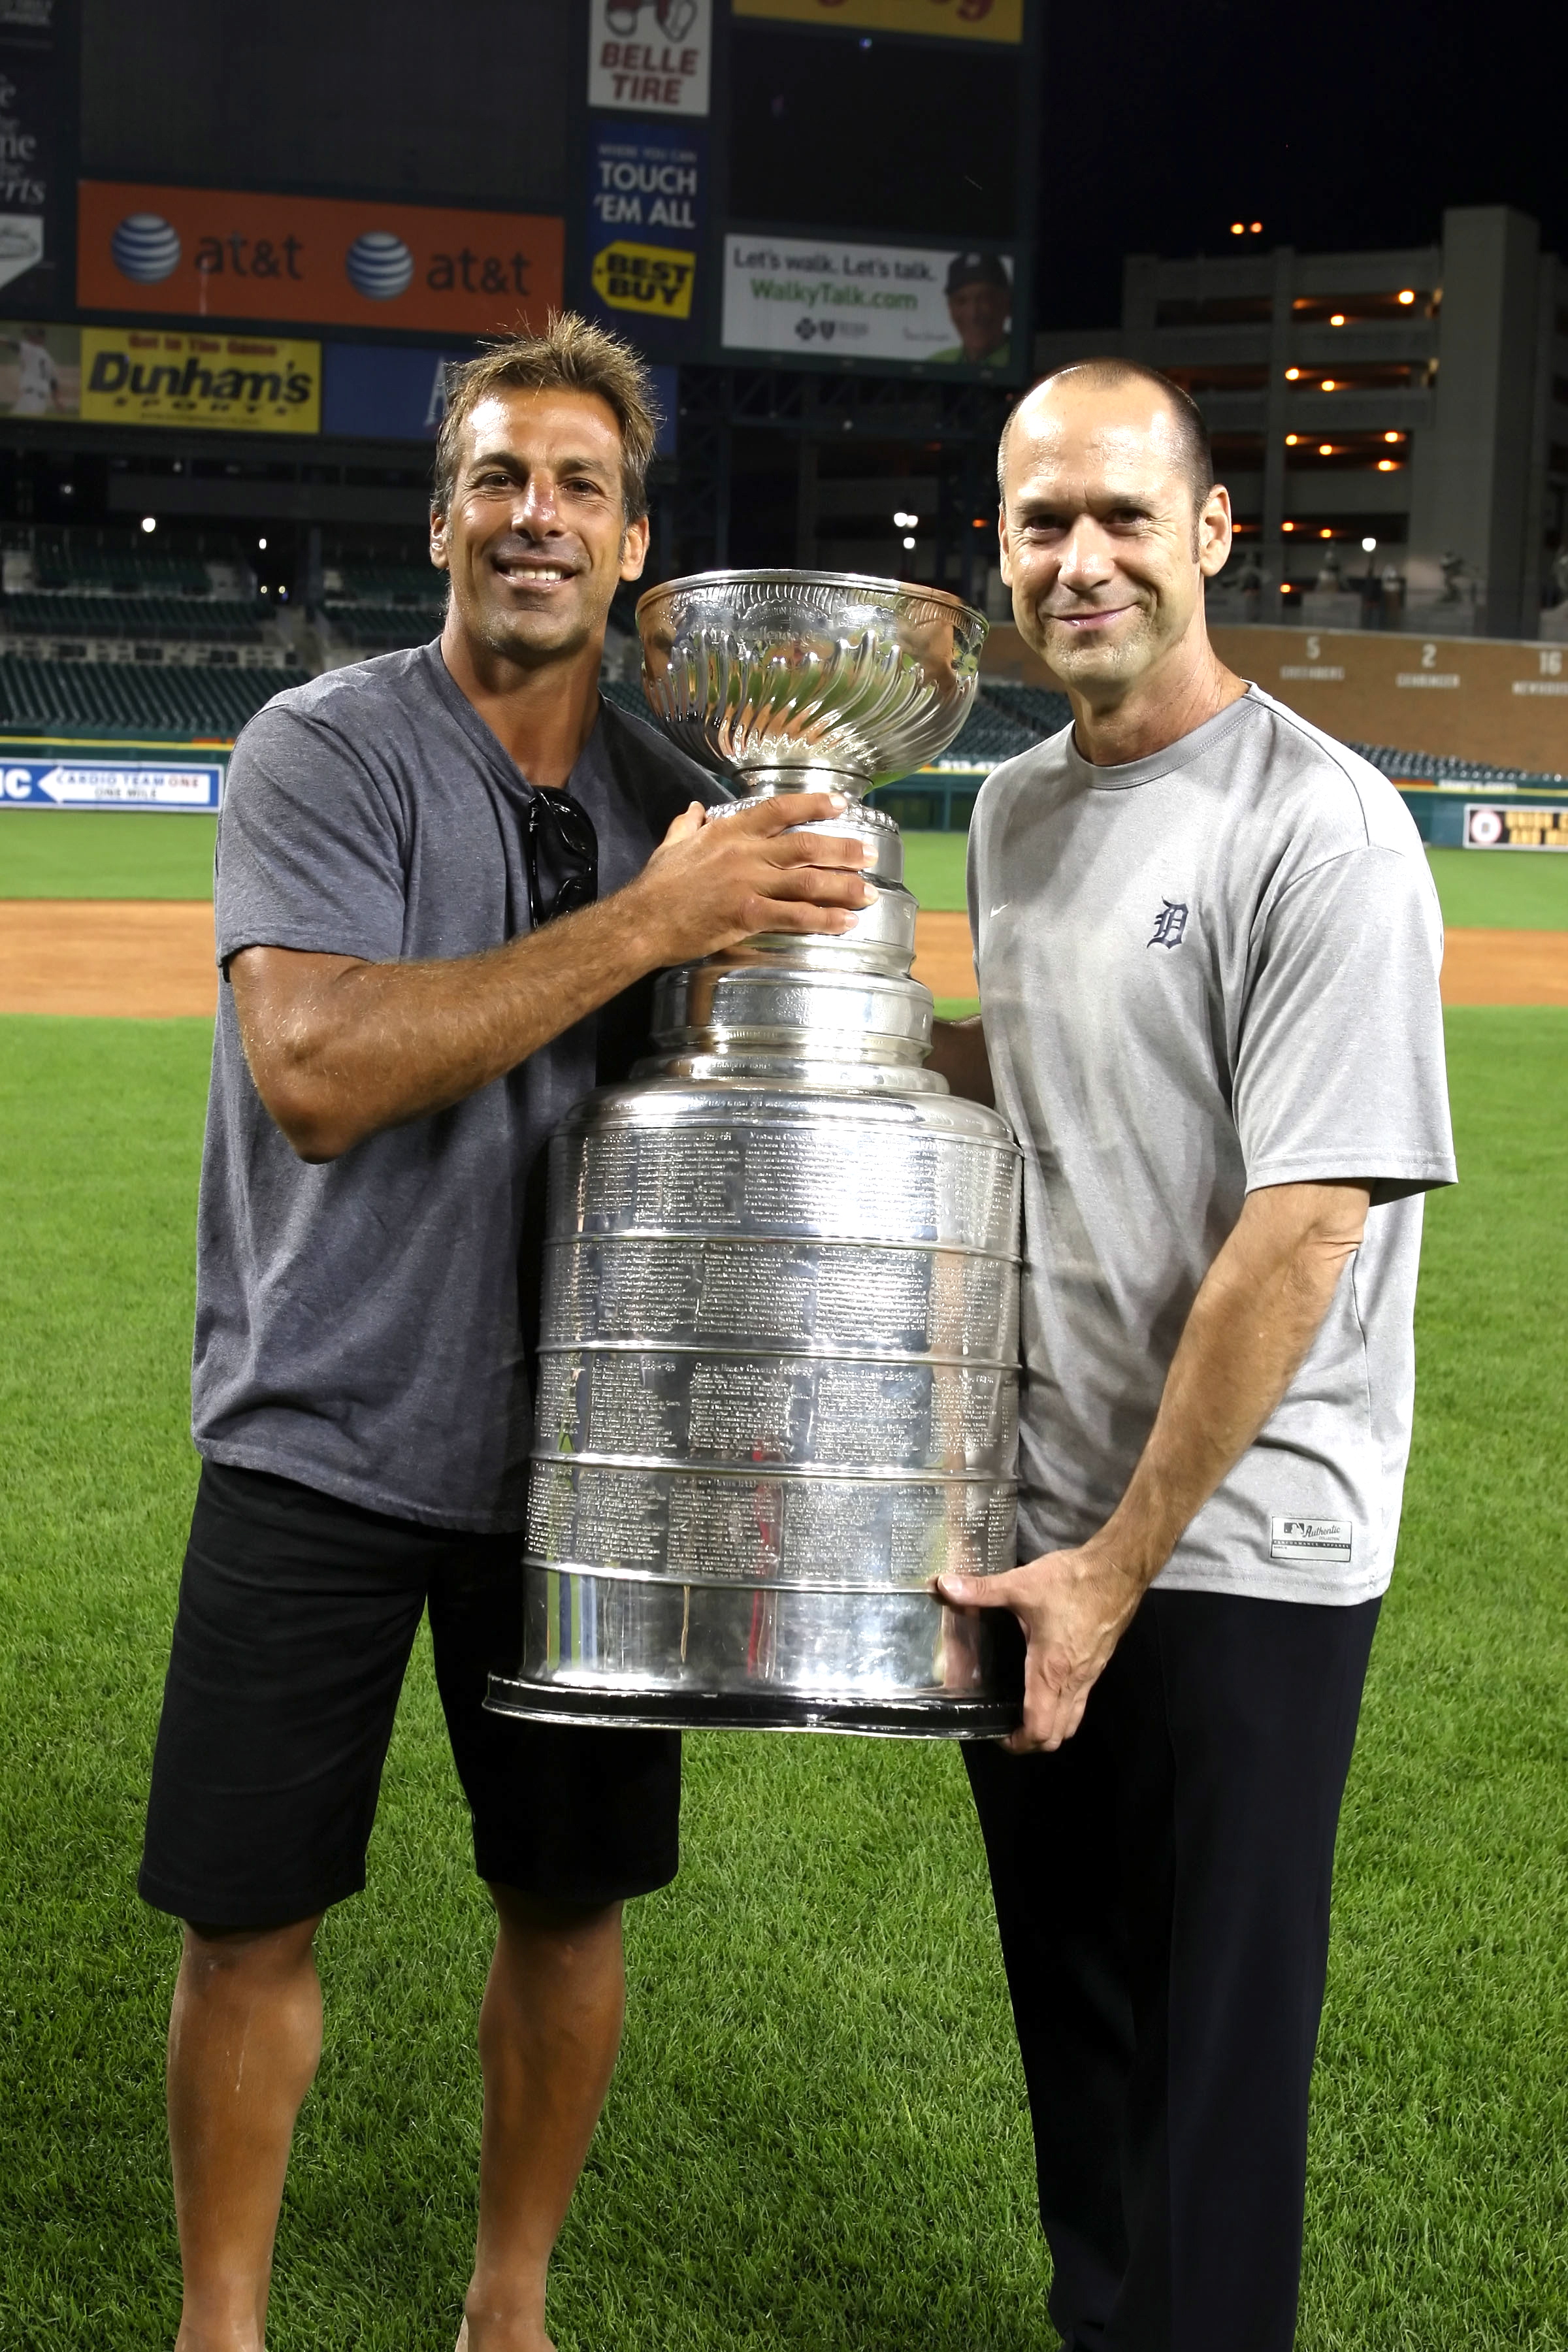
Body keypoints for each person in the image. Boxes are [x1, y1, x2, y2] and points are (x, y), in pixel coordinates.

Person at [138, 314, 873, 2352]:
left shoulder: (683, 788)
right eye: (497, 477)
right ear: (440, 513)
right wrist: (651, 920)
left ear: (634, 547)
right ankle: (220, 2331)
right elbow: (314, 1066)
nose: (531, 516)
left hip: (583, 1463)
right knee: (248, 1911)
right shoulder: (329, 745)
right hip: (319, 1428)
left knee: (567, 1903)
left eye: (575, 486)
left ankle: (507, 2314)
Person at [930, 358, 1454, 2352]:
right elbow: (1054, 1085)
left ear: (1209, 535)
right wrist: (830, 1033)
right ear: (996, 549)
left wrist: (1111, 1571)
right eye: (1039, 521)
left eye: (1119, 517)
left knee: (1209, 2071)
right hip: (1039, 1520)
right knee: (1078, 2036)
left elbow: (1297, 1225)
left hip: (1228, 1549)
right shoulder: (1010, 806)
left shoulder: (1317, 828)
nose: (1077, 560)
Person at [931, 252, 1012, 368]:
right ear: (950, 308)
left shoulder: (1025, 361)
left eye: (985, 299)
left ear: (1006, 304)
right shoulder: (937, 362)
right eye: (961, 301)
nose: (973, 313)